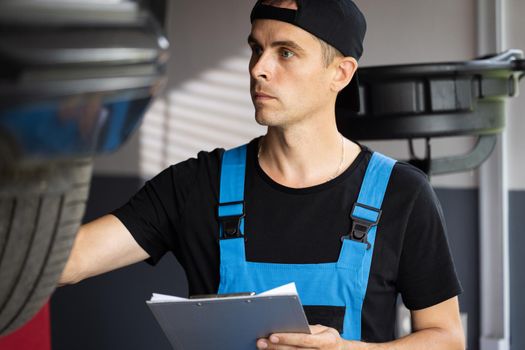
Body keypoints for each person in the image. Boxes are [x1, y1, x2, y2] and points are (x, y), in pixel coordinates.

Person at [59, 0, 465, 349]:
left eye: (285, 53)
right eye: (257, 49)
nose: (258, 69)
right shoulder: (197, 184)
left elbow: (446, 337)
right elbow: (67, 261)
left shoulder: (401, 193)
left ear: (340, 73)